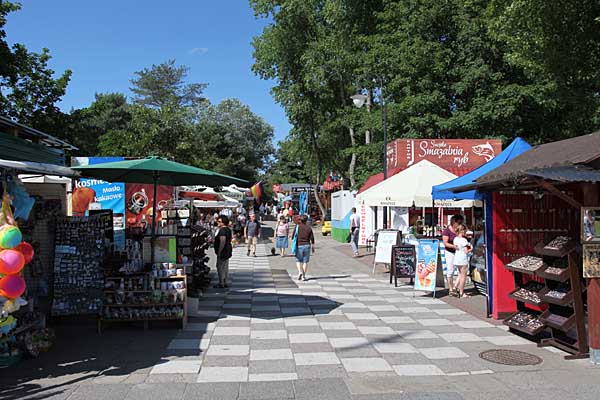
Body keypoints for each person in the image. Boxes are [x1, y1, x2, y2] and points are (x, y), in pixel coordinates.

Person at [442, 214, 464, 297]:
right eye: (459, 222)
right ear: (454, 222)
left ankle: (455, 287)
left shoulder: (459, 229)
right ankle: (451, 289)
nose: (460, 224)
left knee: (461, 270)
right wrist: (453, 246)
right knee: (450, 270)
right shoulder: (447, 231)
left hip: (459, 252)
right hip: (450, 252)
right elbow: (445, 243)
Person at [452, 225, 472, 298]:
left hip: (457, 258)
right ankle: (461, 292)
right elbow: (466, 251)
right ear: (462, 231)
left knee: (460, 274)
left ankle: (454, 288)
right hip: (463, 258)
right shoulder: (464, 240)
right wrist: (471, 249)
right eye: (465, 231)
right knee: (463, 276)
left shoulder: (455, 239)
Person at [213, 215, 233, 289]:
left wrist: (219, 251)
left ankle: (221, 282)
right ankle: (225, 282)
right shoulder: (228, 229)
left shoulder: (222, 230)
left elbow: (222, 241)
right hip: (228, 250)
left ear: (223, 222)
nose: (218, 223)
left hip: (223, 251)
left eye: (219, 221)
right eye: (217, 221)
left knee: (219, 266)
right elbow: (230, 239)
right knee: (225, 267)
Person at [294, 214, 315, 281]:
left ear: (300, 220)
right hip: (307, 245)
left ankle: (300, 272)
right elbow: (312, 238)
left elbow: (293, 236)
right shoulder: (309, 228)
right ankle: (303, 276)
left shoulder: (297, 227)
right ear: (306, 220)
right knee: (305, 261)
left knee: (298, 260)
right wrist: (313, 246)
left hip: (299, 245)